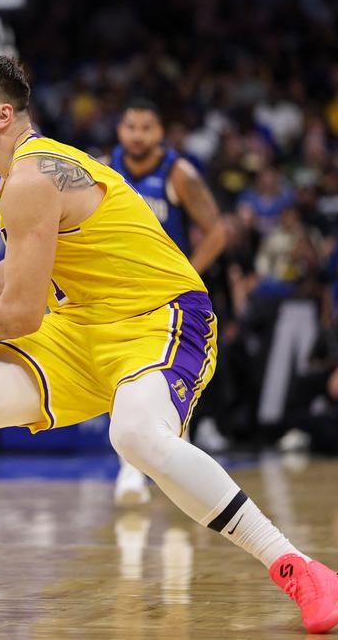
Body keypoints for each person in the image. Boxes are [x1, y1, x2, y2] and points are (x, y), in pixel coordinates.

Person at [0, 57, 338, 635]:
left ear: (4, 113)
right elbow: (22, 273)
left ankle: (302, 568)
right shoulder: (27, 173)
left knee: (137, 436)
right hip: (83, 323)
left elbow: (20, 311)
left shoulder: (33, 176)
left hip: (160, 317)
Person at [110, 99, 227, 504]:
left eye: (146, 127)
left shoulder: (178, 173)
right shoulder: (105, 170)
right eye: (131, 126)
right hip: (118, 289)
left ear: (160, 133)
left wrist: (189, 273)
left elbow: (218, 231)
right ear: (120, 130)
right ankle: (130, 473)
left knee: (173, 386)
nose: (138, 135)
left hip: (168, 296)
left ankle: (180, 476)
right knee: (123, 378)